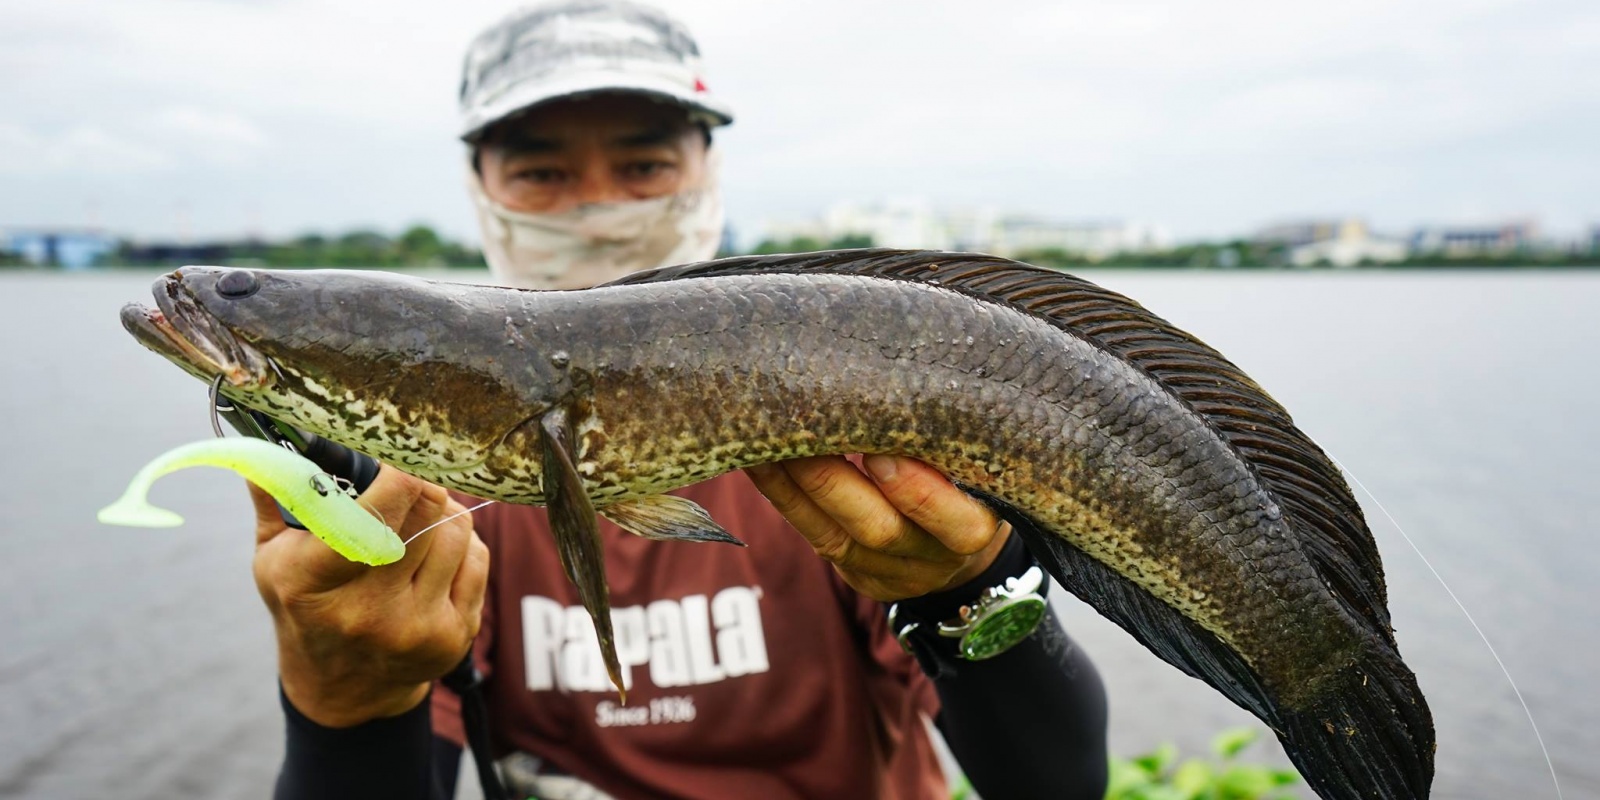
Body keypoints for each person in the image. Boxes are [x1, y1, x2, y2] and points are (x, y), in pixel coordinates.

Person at [258, 3, 1109, 798]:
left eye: (644, 165)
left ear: (708, 170)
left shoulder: (847, 419)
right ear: (480, 185)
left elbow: (1055, 782)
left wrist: (970, 588)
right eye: (542, 170)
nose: (597, 205)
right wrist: (344, 693)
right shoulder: (429, 490)